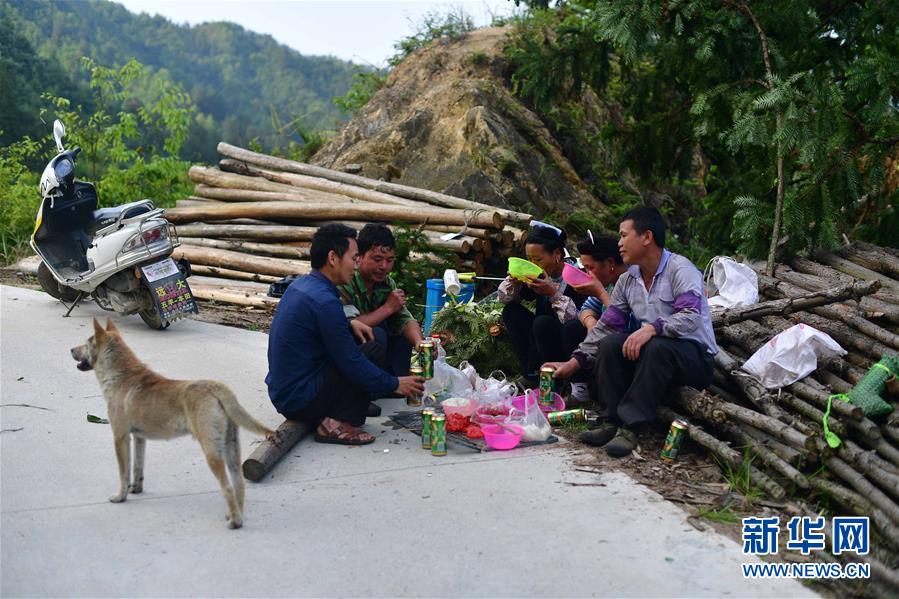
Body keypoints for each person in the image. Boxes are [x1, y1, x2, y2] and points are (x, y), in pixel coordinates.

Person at [543, 207, 717, 457]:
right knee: (610, 344)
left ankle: (631, 428)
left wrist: (651, 329)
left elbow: (689, 318)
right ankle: (611, 421)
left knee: (657, 346)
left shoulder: (682, 270)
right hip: (655, 359)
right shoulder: (628, 280)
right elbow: (607, 325)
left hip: (695, 359)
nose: (619, 243)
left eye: (624, 236)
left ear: (647, 237)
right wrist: (574, 362)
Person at [265, 224, 425, 445]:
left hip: (286, 390)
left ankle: (339, 409)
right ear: (333, 258)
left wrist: (350, 324)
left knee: (371, 341)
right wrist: (393, 384)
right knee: (368, 353)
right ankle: (335, 423)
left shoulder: (305, 285)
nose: (355, 265)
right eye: (353, 258)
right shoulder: (325, 301)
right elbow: (350, 360)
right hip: (298, 398)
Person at [499, 222, 588, 386]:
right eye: (529, 259)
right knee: (511, 311)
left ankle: (562, 381)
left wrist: (552, 294)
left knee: (544, 322)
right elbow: (505, 299)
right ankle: (531, 373)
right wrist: (514, 282)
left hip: (569, 343)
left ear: (556, 254)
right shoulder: (537, 273)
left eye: (538, 259)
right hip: (540, 340)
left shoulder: (577, 276)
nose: (533, 264)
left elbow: (575, 321)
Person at [338, 224, 423, 381]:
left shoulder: (386, 283)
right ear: (359, 257)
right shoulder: (346, 281)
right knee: (376, 334)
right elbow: (350, 323)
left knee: (403, 334)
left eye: (389, 260)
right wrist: (388, 308)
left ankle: (397, 382)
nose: (384, 266)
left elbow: (405, 318)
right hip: (349, 352)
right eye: (377, 259)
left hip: (377, 352)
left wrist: (420, 343)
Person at [563, 232, 631, 403]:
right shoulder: (607, 283)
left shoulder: (631, 282)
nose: (587, 274)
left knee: (610, 342)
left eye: (590, 268)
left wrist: (600, 293)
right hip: (601, 345)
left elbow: (629, 323)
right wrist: (590, 322)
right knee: (573, 327)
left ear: (610, 263)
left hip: (629, 348)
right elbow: (585, 309)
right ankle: (582, 389)